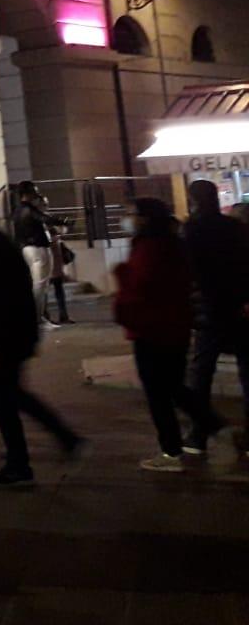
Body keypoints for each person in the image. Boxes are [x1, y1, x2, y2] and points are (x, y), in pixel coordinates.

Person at [0, 197, 82, 488]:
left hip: (4, 343)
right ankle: (59, 442)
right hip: (7, 341)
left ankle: (24, 462)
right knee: (10, 398)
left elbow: (3, 303)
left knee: (4, 400)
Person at [113, 198, 214, 471]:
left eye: (131, 213)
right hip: (174, 328)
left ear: (145, 218)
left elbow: (141, 289)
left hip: (151, 330)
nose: (127, 218)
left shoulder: (149, 248)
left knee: (159, 393)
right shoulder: (173, 244)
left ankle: (171, 451)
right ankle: (218, 428)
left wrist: (122, 276)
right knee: (174, 387)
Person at [180, 179, 249, 453]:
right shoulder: (234, 227)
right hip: (238, 309)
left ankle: (199, 433)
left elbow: (188, 271)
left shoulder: (191, 229)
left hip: (208, 309)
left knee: (201, 373)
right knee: (247, 370)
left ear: (193, 199)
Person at [12, 182, 58, 328]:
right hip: (37, 247)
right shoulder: (29, 209)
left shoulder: (18, 210)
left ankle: (39, 317)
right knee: (40, 285)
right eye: (34, 192)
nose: (36, 195)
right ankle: (37, 318)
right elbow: (44, 219)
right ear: (28, 192)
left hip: (27, 248)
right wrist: (62, 221)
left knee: (39, 284)